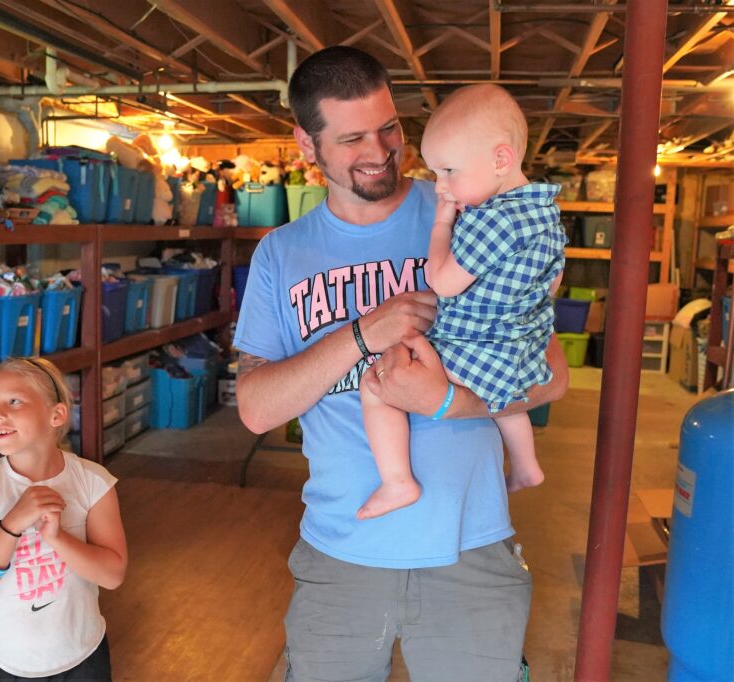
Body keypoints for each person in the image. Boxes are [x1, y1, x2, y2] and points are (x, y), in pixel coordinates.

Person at [234, 46, 568, 681]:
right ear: (307, 144)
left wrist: (446, 402)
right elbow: (254, 409)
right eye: (353, 137)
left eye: (389, 127)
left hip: (470, 550)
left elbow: (551, 375)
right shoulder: (280, 254)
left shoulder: (474, 208)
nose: (381, 149)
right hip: (340, 554)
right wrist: (364, 333)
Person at [357, 84, 566, 520]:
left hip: (476, 345)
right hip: (519, 348)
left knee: (377, 381)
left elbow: (443, 281)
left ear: (501, 160)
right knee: (503, 397)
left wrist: (441, 223)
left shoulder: (489, 220)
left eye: (449, 171)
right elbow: (552, 282)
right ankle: (527, 466)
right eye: (437, 173)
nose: (441, 185)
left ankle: (397, 482)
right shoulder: (545, 211)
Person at [0, 357, 127, 681]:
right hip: (4, 662)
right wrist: (11, 526)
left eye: (14, 401)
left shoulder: (93, 482)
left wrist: (58, 539)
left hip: (82, 657)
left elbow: (112, 574)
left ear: (56, 414)